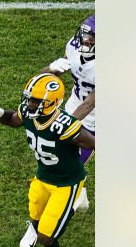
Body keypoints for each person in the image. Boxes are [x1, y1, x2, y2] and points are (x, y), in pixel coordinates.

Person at [0, 74, 95, 247]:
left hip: (66, 182)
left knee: (46, 235)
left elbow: (92, 143)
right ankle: (76, 203)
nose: (30, 104)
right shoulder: (29, 113)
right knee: (35, 213)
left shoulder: (64, 125)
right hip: (43, 176)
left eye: (36, 101)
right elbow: (12, 120)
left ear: (53, 103)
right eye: (30, 99)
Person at [40, 14, 95, 212]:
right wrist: (51, 69)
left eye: (93, 37)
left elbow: (90, 103)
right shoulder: (73, 45)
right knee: (59, 156)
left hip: (96, 119)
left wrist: (66, 122)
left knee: (67, 162)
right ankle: (79, 195)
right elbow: (44, 78)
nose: (86, 39)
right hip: (74, 107)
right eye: (85, 34)